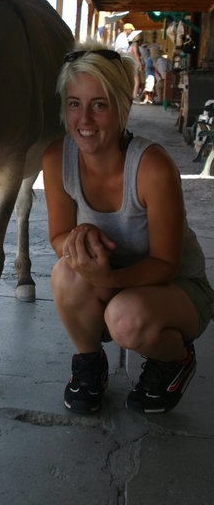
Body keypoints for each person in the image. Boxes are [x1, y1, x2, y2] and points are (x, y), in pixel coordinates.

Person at [42, 45, 214, 414]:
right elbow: (58, 236)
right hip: (114, 282)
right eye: (74, 103)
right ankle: (89, 363)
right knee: (64, 274)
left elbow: (166, 264)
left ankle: (175, 360)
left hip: (176, 288)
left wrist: (105, 281)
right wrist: (77, 239)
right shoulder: (58, 158)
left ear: (123, 107)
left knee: (124, 318)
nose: (84, 119)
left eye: (99, 105)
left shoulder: (152, 166)